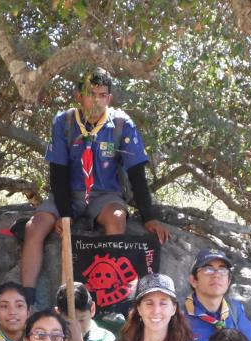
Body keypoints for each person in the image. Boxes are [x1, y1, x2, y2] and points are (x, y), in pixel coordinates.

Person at [19, 68, 169, 304]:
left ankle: (111, 297)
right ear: (79, 96)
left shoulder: (121, 124)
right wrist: (65, 215)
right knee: (35, 226)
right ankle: (27, 298)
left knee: (117, 218)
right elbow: (57, 173)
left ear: (109, 98)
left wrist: (149, 216)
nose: (97, 100)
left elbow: (137, 173)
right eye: (91, 94)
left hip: (106, 194)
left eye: (102, 95)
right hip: (69, 193)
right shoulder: (64, 122)